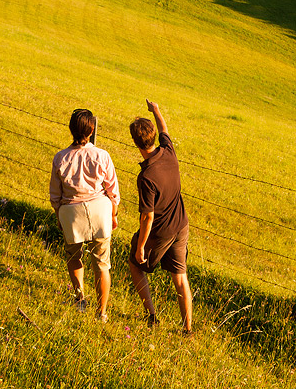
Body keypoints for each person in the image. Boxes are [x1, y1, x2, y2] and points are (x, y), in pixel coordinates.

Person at [49, 108, 120, 322]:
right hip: (100, 211)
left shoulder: (60, 158)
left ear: (71, 129)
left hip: (71, 213)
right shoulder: (102, 155)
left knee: (73, 256)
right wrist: (113, 214)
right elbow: (112, 190)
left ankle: (80, 297)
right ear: (91, 130)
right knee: (101, 263)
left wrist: (60, 215)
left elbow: (55, 195)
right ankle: (102, 312)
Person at [128, 100, 192, 334]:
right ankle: (187, 329)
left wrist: (141, 247)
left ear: (135, 143)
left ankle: (151, 315)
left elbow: (147, 218)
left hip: (161, 231)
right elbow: (164, 129)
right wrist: (156, 110)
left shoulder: (146, 176)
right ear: (153, 137)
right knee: (180, 278)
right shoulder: (168, 151)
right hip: (181, 225)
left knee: (135, 266)